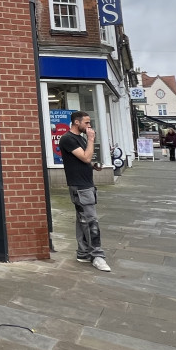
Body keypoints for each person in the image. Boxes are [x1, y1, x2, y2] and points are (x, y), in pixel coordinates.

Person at [58, 111, 111, 272]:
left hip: (85, 184)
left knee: (82, 220)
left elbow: (85, 160)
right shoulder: (68, 139)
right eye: (86, 123)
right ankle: (97, 255)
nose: (89, 126)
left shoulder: (79, 138)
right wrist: (91, 139)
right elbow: (85, 157)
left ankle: (83, 252)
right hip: (79, 186)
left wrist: (93, 165)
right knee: (91, 221)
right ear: (76, 122)